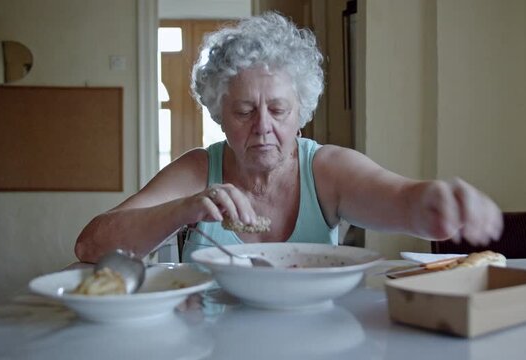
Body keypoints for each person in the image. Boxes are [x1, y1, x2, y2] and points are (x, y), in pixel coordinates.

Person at [74, 12, 503, 264]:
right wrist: (180, 210)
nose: (263, 127)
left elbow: (402, 198)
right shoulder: (199, 170)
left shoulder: (326, 169)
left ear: (302, 113)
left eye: (278, 110)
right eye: (244, 111)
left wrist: (436, 203)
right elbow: (91, 244)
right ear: (220, 115)